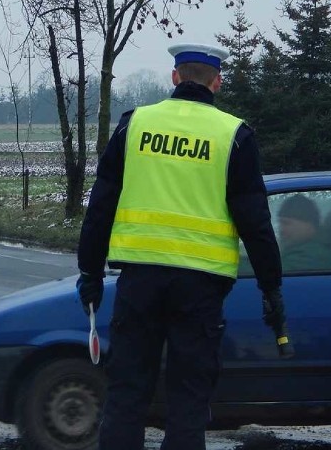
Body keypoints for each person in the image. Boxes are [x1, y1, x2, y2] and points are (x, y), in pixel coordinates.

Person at [76, 42, 285, 450]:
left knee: (126, 397)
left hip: (139, 282)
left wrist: (90, 272)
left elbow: (100, 205)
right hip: (201, 289)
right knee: (188, 402)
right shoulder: (233, 135)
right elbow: (255, 222)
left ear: (175, 77)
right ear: (217, 83)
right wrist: (271, 288)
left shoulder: (133, 124)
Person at [277, 194, 331, 272]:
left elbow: (267, 274)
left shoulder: (311, 255)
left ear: (308, 224)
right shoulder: (303, 247)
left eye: (287, 223)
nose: (281, 230)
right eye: (280, 223)